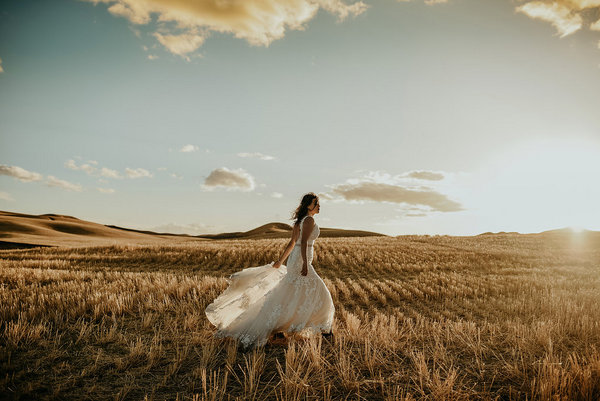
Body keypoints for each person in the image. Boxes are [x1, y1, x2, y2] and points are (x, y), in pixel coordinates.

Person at [205, 192, 335, 350]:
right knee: (321, 293)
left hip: (296, 260)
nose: (319, 206)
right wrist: (305, 265)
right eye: (316, 203)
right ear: (309, 206)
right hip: (301, 261)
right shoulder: (308, 220)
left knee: (292, 292)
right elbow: (304, 242)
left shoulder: (299, 221)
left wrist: (281, 261)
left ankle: (282, 326)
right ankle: (325, 332)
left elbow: (293, 243)